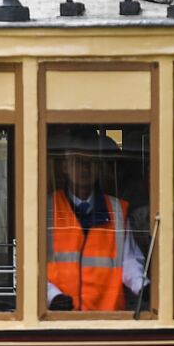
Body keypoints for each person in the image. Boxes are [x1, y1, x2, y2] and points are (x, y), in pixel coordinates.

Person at [46, 129, 146, 311]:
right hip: (59, 319)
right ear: (65, 167)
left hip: (108, 320)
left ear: (100, 167)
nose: (85, 168)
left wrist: (142, 286)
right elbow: (32, 267)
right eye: (78, 161)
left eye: (91, 161)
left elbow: (129, 261)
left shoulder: (117, 210)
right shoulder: (46, 209)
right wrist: (52, 296)